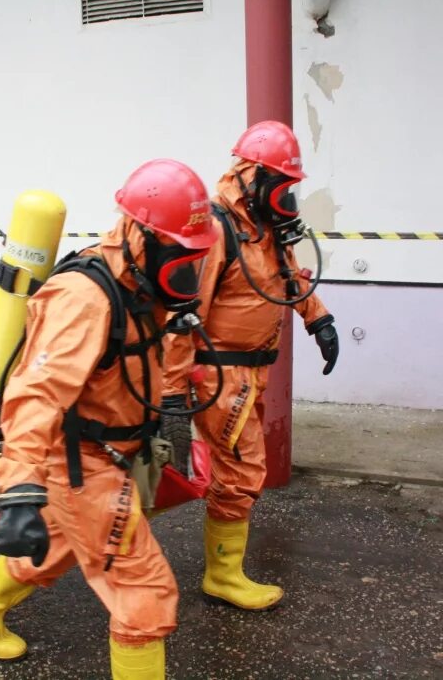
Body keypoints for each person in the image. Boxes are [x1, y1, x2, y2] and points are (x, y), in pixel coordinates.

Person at [0, 159, 219, 680]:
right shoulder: (85, 298)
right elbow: (34, 398)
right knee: (141, 590)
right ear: (141, 236)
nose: (188, 273)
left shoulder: (144, 285)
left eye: (197, 260)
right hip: (83, 463)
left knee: (52, 547)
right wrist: (19, 491)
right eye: (181, 258)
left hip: (113, 453)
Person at [160, 121, 339, 611]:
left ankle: (223, 568)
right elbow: (182, 315)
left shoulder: (264, 228)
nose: (287, 198)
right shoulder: (216, 230)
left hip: (251, 371)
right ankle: (222, 575)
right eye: (282, 186)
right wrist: (172, 393)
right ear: (252, 175)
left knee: (238, 467)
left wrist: (317, 318)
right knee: (240, 470)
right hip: (219, 373)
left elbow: (286, 277)